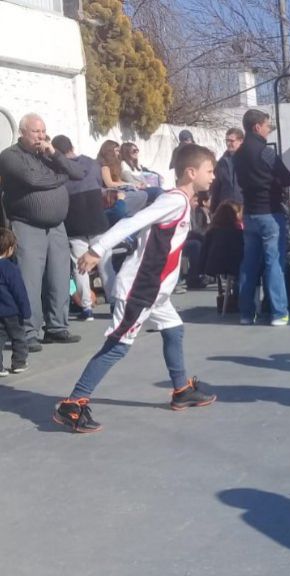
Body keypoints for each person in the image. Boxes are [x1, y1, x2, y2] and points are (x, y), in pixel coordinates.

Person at [54, 145, 220, 434]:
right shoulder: (175, 201)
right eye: (210, 170)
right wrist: (97, 248)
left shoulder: (180, 201)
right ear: (192, 173)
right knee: (118, 345)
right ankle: (74, 404)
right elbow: (133, 221)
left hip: (157, 291)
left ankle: (181, 389)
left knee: (174, 329)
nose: (214, 176)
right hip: (140, 290)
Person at [0, 113, 84, 350]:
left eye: (43, 131)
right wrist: (60, 177)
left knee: (59, 278)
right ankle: (28, 332)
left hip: (57, 226)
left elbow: (77, 173)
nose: (41, 136)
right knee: (30, 281)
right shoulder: (9, 156)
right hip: (27, 224)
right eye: (35, 131)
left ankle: (57, 327)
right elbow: (32, 180)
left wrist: (55, 155)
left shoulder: (49, 156)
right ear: (22, 133)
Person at [233, 109, 290, 326]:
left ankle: (246, 313)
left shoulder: (237, 154)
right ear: (257, 127)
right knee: (274, 263)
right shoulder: (265, 152)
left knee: (248, 264)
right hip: (270, 211)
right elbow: (286, 177)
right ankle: (279, 312)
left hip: (249, 213)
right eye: (267, 125)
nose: (269, 129)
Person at [51, 135, 113, 320]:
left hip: (74, 223)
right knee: (105, 264)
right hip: (97, 220)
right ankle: (116, 303)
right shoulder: (92, 164)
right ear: (72, 145)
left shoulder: (58, 169)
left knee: (81, 267)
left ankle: (87, 309)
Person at [199, 201, 244, 314]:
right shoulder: (237, 233)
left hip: (214, 266)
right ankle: (243, 300)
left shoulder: (211, 232)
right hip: (232, 266)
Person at [0, 228, 30, 376]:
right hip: (12, 311)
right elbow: (19, 291)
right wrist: (26, 310)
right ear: (10, 248)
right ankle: (18, 363)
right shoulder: (10, 268)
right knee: (18, 337)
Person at [97, 140, 148, 216]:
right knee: (142, 195)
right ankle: (122, 212)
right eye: (116, 151)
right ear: (109, 151)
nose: (118, 153)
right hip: (110, 194)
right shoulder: (104, 166)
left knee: (142, 194)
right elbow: (109, 184)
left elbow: (119, 181)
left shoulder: (115, 165)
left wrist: (132, 185)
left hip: (117, 191)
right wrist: (129, 184)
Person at [210, 128, 245, 212]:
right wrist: (214, 209)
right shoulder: (221, 162)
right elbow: (216, 187)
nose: (228, 143)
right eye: (227, 141)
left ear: (240, 141)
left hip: (244, 208)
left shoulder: (248, 160)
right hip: (227, 208)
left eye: (231, 141)